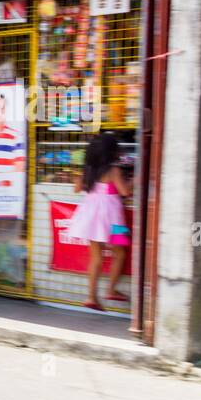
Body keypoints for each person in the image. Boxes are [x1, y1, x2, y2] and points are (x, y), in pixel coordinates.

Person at [66, 132, 131, 311]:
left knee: (96, 257)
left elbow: (77, 188)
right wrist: (135, 180)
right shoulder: (114, 170)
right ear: (111, 152)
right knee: (119, 253)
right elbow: (125, 192)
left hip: (94, 220)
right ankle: (111, 290)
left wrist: (78, 178)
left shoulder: (89, 171)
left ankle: (91, 296)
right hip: (114, 221)